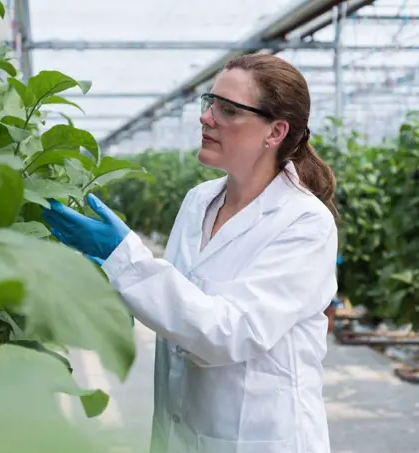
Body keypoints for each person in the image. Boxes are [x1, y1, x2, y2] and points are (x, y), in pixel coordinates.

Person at [42, 54, 339, 453]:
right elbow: (181, 304)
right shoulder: (199, 201)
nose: (207, 118)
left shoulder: (304, 223)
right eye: (209, 102)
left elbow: (228, 333)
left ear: (275, 132)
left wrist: (124, 258)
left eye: (228, 110)